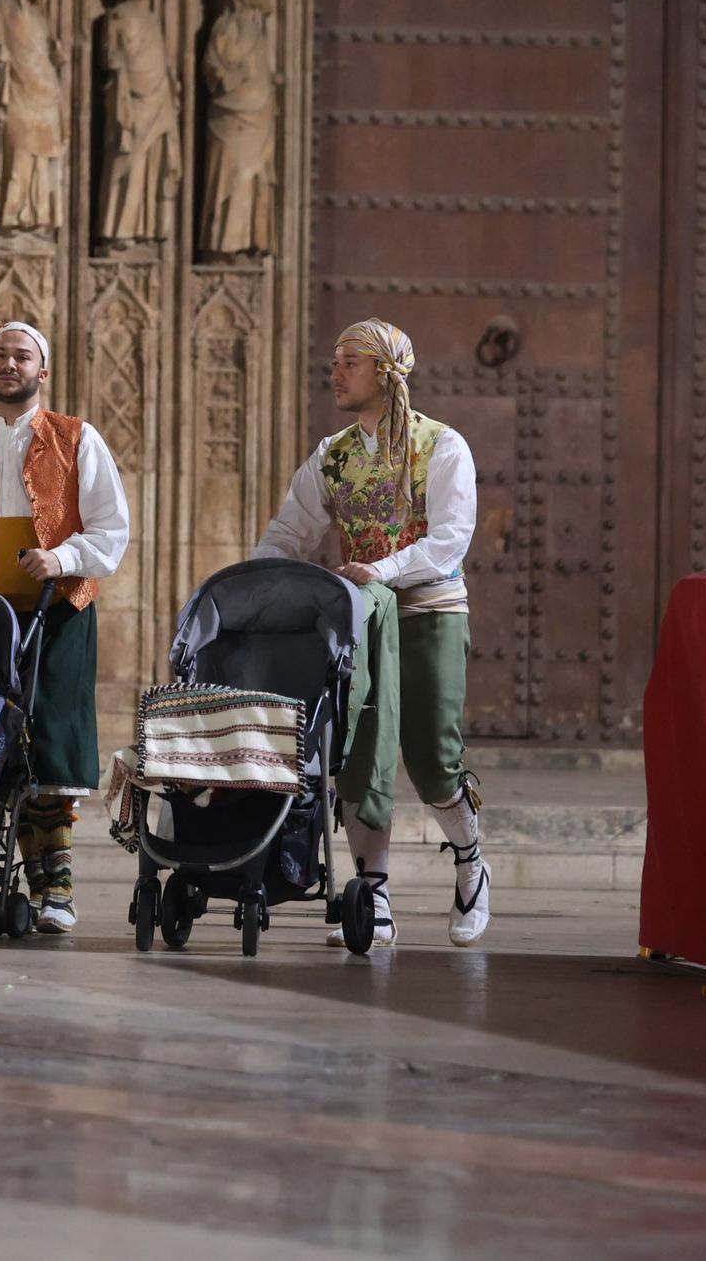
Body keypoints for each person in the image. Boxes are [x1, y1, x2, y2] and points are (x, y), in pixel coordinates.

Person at [251, 317, 488, 948]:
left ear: (386, 372)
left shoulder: (441, 446)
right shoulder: (333, 455)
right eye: (336, 360)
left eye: (349, 361)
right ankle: (372, 894)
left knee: (434, 760)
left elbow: (449, 540)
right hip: (361, 616)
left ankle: (469, 859)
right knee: (359, 751)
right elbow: (290, 532)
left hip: (429, 610)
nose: (336, 371)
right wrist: (253, 582)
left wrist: (382, 567)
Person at [0, 321, 132, 933]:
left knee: (52, 742)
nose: (9, 365)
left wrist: (59, 558)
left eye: (22, 356)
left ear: (43, 371)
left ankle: (54, 888)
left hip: (58, 608)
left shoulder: (77, 438)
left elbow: (111, 531)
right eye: (0, 356)